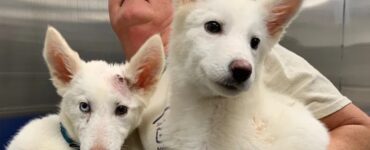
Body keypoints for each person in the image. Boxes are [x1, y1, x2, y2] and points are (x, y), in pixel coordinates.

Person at [108, 0, 370, 149]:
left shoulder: (255, 56)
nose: (242, 62)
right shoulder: (133, 84)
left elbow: (361, 130)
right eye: (213, 28)